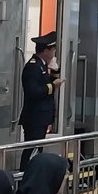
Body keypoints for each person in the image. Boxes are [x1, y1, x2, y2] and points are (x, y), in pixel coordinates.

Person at [18, 31, 63, 171]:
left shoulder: (42, 65)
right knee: (32, 151)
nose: (54, 52)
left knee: (37, 150)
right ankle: (25, 176)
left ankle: (32, 175)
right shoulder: (33, 67)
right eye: (53, 49)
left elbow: (46, 82)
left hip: (41, 117)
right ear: (46, 51)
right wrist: (53, 86)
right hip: (34, 117)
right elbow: (34, 91)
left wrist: (55, 71)